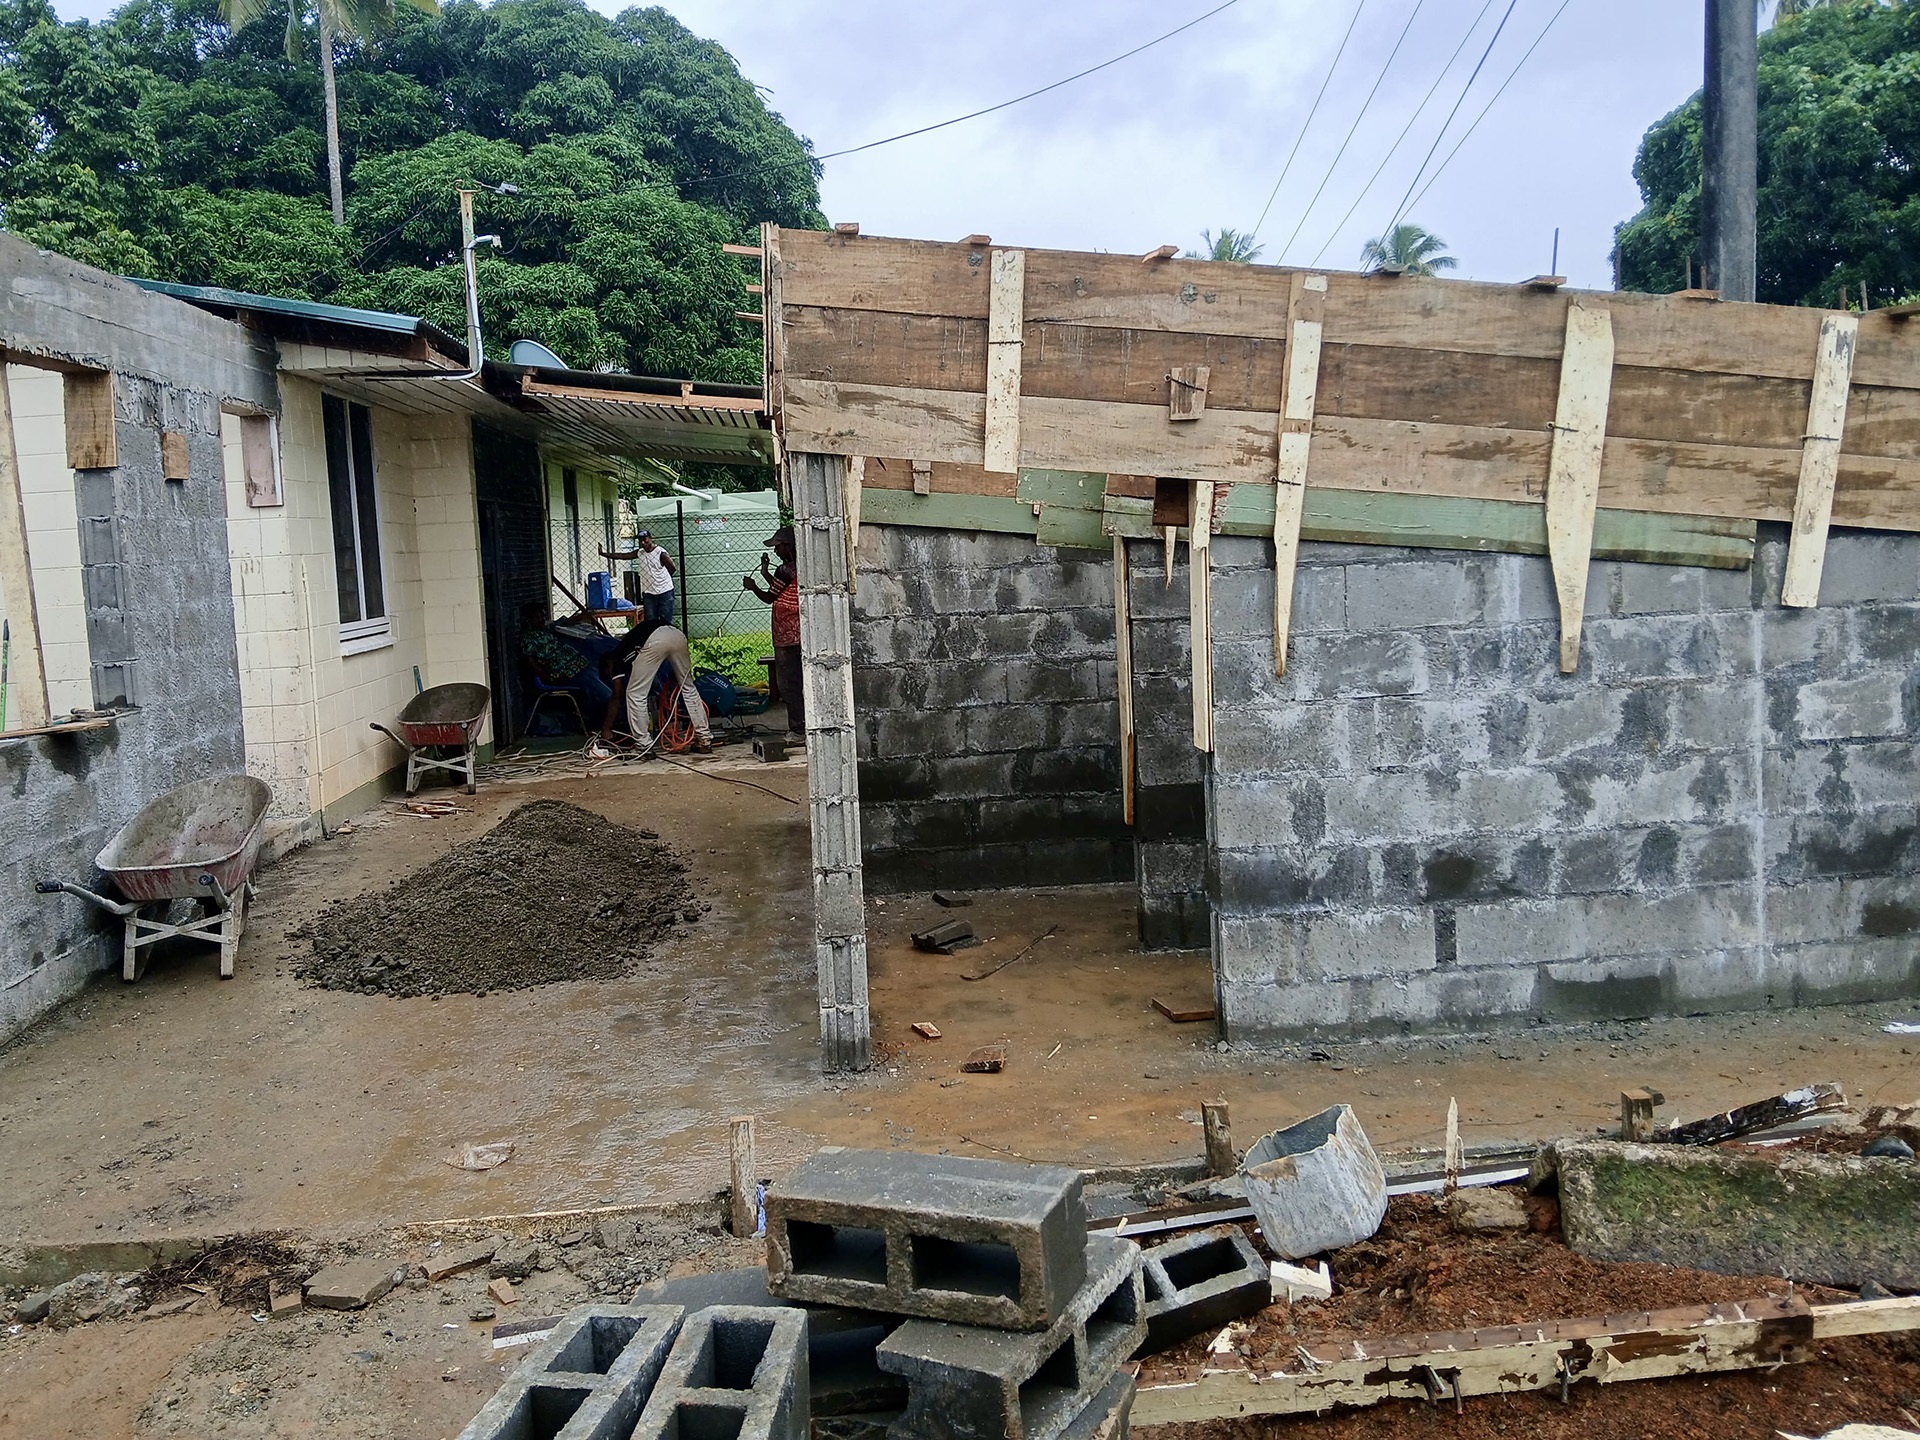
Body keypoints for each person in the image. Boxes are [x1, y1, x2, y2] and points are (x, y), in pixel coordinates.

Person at [519, 603, 616, 737]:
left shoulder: (547, 630)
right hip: (566, 672)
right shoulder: (529, 639)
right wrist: (548, 676)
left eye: (543, 615)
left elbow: (564, 622)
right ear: (528, 620)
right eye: (537, 617)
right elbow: (532, 662)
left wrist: (582, 615)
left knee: (611, 678)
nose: (542, 619)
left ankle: (616, 715)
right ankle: (609, 723)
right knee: (604, 692)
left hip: (580, 666)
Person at [742, 526, 802, 740]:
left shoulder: (785, 570)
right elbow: (780, 589)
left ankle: (798, 729)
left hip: (786, 635)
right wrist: (766, 573)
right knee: (802, 681)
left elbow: (770, 597)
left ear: (788, 546)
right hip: (802, 633)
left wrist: (753, 586)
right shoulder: (799, 568)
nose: (776, 552)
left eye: (778, 547)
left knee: (788, 684)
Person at [623, 616, 712, 754]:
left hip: (655, 640)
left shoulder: (618, 654)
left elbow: (620, 685)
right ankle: (704, 739)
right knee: (688, 687)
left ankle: (643, 745)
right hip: (676, 634)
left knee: (636, 693)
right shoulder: (633, 637)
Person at [602, 531, 675, 626]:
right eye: (640, 541)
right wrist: (604, 554)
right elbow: (623, 556)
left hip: (665, 591)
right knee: (650, 620)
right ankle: (652, 639)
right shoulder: (640, 553)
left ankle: (666, 639)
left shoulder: (660, 553)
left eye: (645, 540)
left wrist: (663, 580)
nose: (643, 543)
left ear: (650, 538)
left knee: (665, 619)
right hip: (649, 592)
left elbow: (672, 568)